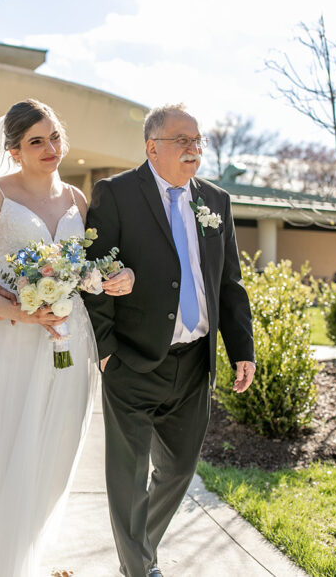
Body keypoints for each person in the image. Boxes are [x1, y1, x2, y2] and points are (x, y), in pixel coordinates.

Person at [0, 100, 135, 577]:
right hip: (2, 342)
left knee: (51, 453)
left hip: (67, 342)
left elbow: (88, 273)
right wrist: (18, 310)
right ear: (14, 150)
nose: (50, 148)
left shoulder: (79, 201)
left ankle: (23, 561)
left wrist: (115, 278)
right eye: (36, 141)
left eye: (55, 136)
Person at [83, 102, 256, 577]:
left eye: (198, 140)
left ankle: (140, 553)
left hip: (193, 363)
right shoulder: (115, 193)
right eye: (183, 140)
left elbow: (229, 282)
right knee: (128, 477)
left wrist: (242, 349)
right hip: (132, 362)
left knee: (178, 471)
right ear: (151, 147)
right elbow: (93, 275)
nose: (193, 149)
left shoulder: (215, 201)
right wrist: (106, 351)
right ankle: (138, 569)